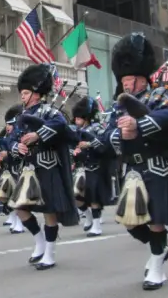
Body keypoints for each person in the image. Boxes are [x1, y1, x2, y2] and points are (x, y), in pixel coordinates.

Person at [104, 32, 168, 290]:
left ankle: (156, 265)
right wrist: (120, 133)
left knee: (156, 219)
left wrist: (139, 125)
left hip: (156, 166)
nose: (126, 84)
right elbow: (108, 133)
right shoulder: (117, 106)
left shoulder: (158, 97)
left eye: (130, 79)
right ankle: (160, 249)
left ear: (143, 78)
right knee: (131, 221)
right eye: (123, 80)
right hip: (131, 169)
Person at [7, 63, 78, 270]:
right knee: (18, 208)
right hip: (29, 169)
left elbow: (62, 128)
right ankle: (39, 240)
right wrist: (16, 146)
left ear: (37, 94)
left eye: (26, 92)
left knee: (49, 211)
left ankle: (50, 252)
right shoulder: (21, 116)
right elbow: (10, 138)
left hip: (48, 166)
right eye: (22, 92)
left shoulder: (50, 112)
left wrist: (38, 134)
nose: (23, 96)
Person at [71, 96, 109, 237]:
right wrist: (75, 151)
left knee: (94, 197)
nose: (76, 121)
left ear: (85, 117)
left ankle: (97, 226)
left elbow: (104, 145)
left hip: (95, 166)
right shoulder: (77, 131)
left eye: (78, 118)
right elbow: (72, 147)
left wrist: (89, 144)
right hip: (82, 167)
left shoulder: (97, 128)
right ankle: (88, 217)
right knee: (76, 195)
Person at [0, 104, 25, 234]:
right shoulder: (6, 138)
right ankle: (14, 217)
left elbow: (23, 153)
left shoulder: (21, 135)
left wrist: (9, 154)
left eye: (10, 124)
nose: (8, 127)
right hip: (9, 170)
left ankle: (20, 222)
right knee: (8, 195)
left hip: (21, 168)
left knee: (18, 196)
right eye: (7, 124)